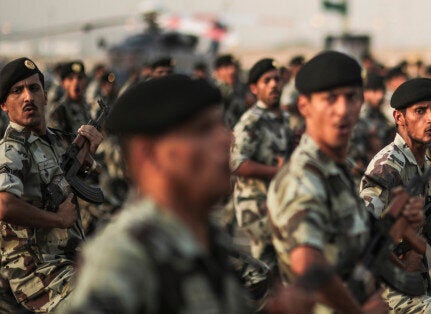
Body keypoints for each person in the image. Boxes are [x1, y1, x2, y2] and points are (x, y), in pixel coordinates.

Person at [58, 74, 314, 314]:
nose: (226, 140)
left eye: (220, 126)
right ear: (148, 155)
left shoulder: (206, 240)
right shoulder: (123, 259)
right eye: (202, 130)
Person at [268, 51, 424, 313]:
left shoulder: (336, 171)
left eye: (350, 97)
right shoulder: (302, 178)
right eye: (330, 99)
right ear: (304, 106)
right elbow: (308, 265)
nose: (342, 110)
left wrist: (402, 227)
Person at [0, 57, 103, 312]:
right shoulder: (11, 149)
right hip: (37, 271)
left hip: (69, 258)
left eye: (34, 88)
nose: (27, 97)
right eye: (17, 91)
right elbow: (3, 204)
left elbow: (63, 180)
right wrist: (57, 219)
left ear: (45, 96)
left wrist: (88, 159)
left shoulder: (54, 140)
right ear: (4, 105)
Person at [360, 78, 431, 313]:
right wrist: (400, 266)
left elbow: (419, 219)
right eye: (420, 111)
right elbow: (363, 233)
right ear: (399, 118)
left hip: (415, 285)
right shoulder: (387, 166)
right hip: (389, 293)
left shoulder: (423, 160)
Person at [231, 58, 293, 296]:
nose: (274, 85)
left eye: (277, 79)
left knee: (275, 278)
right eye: (267, 81)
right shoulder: (251, 121)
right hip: (257, 208)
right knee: (267, 276)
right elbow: (235, 162)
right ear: (255, 88)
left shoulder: (283, 119)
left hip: (279, 205)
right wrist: (276, 171)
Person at [46, 60, 91, 132]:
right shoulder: (59, 110)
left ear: (85, 81)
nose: (76, 82)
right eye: (70, 78)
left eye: (80, 78)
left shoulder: (87, 106)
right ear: (63, 83)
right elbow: (56, 140)